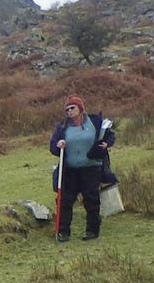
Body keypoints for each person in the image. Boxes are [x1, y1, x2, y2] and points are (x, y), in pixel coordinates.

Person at [49, 93, 116, 242]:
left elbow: (109, 136)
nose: (69, 111)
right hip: (69, 170)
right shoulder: (62, 128)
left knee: (91, 199)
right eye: (67, 109)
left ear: (80, 108)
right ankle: (63, 232)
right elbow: (53, 147)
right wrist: (58, 145)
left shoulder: (95, 122)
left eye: (72, 108)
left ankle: (92, 230)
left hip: (92, 168)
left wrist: (107, 144)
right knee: (65, 200)